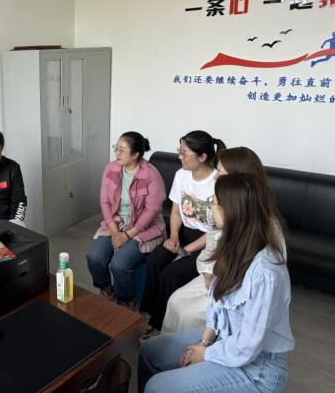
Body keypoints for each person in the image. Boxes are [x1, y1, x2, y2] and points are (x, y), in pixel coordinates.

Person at [139, 173, 294, 393]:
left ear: (231, 212)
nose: (210, 207)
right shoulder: (233, 245)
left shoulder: (265, 272)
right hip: (225, 338)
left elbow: (248, 345)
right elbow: (217, 304)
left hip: (257, 370)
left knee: (157, 386)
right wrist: (204, 342)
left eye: (214, 203)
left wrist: (206, 354)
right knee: (149, 351)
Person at [162, 147, 287, 333]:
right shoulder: (225, 206)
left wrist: (217, 277)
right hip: (217, 274)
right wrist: (207, 271)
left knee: (187, 314)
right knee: (176, 301)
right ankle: (170, 345)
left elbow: (253, 277)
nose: (214, 176)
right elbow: (213, 240)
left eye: (219, 172)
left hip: (236, 285)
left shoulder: (265, 225)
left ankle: (192, 346)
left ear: (238, 178)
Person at [141, 130, 226, 333]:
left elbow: (216, 232)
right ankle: (148, 311)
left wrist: (185, 251)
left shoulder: (218, 183)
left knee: (170, 273)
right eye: (179, 151)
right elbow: (176, 212)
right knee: (154, 261)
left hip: (207, 243)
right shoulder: (181, 175)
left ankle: (158, 325)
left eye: (184, 153)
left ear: (202, 157)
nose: (179, 157)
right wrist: (173, 237)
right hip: (182, 233)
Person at [86, 132, 166, 308]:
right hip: (116, 223)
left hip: (143, 227)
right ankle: (106, 289)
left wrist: (127, 235)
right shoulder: (111, 169)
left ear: (135, 154)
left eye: (122, 150)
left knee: (119, 264)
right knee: (94, 257)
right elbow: (104, 201)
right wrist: (115, 231)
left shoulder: (151, 174)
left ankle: (126, 300)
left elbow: (152, 210)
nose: (117, 153)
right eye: (116, 148)